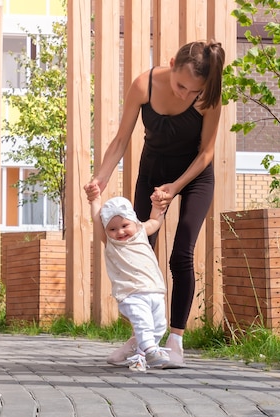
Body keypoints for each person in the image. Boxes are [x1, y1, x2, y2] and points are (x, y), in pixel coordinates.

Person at [84, 40, 226, 368]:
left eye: (193, 92)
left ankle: (175, 340)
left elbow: (206, 153)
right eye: (180, 86)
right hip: (152, 171)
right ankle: (141, 341)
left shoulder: (209, 97)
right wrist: (100, 179)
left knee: (181, 253)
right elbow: (121, 139)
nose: (184, 95)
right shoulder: (143, 84)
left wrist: (175, 188)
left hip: (193, 177)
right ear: (171, 62)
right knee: (136, 251)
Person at [87, 187, 170, 372]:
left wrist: (157, 205)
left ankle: (140, 357)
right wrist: (95, 201)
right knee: (143, 323)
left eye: (125, 225)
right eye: (113, 229)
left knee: (159, 326)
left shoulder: (141, 231)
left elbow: (155, 220)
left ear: (134, 221)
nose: (120, 232)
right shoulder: (111, 243)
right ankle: (150, 350)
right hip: (131, 293)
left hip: (154, 290)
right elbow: (96, 220)